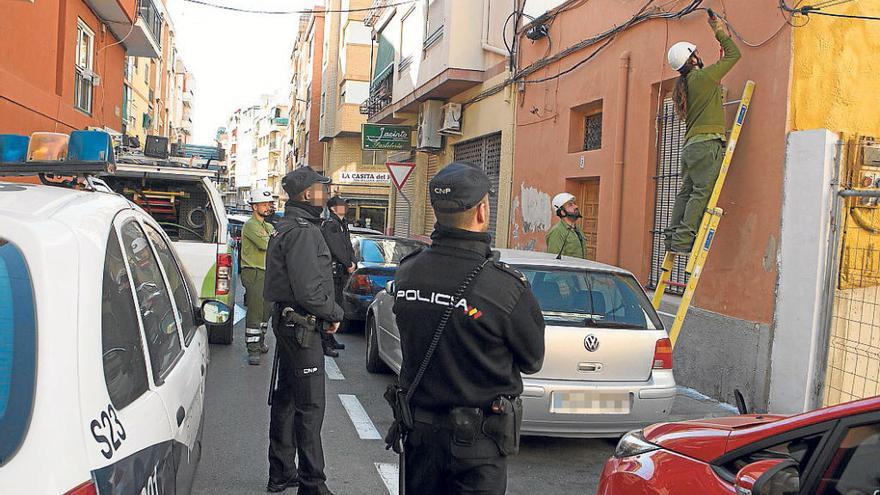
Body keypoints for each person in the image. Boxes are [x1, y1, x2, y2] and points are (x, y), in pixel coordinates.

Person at [393, 162, 546, 494]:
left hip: (420, 437)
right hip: (478, 447)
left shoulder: (407, 273)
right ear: (482, 211)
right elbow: (533, 359)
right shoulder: (504, 287)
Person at [263, 167, 343, 495]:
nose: (326, 193)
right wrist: (335, 313)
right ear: (307, 194)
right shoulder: (304, 232)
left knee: (288, 399)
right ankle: (313, 485)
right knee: (310, 407)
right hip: (302, 327)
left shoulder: (287, 226)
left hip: (288, 322)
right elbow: (310, 290)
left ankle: (281, 472)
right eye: (322, 188)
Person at [663, 12, 741, 254]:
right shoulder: (703, 78)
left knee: (686, 191)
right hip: (707, 146)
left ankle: (673, 238)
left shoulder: (685, 85)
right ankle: (685, 239)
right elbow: (734, 55)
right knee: (700, 193)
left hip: (691, 148)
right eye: (695, 53)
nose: (699, 55)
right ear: (692, 59)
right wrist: (717, 29)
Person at [241, 187, 275, 365]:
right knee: (255, 311)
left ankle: (260, 341)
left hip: (267, 272)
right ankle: (253, 349)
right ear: (254, 206)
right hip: (254, 272)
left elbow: (276, 242)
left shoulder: (268, 226)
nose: (267, 207)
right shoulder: (250, 225)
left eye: (268, 203)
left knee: (266, 311)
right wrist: (273, 239)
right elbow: (266, 244)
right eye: (264, 204)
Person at [319, 195, 354, 357]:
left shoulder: (342, 224)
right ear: (333, 208)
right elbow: (336, 248)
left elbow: (348, 246)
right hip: (333, 273)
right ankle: (325, 342)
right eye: (342, 205)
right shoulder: (330, 225)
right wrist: (348, 263)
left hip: (341, 272)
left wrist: (353, 261)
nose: (345, 207)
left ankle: (330, 339)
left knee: (337, 305)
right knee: (330, 307)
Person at [546, 192, 587, 259]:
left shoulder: (578, 230)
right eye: (570, 205)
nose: (576, 206)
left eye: (574, 204)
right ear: (562, 212)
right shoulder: (557, 232)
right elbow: (555, 261)